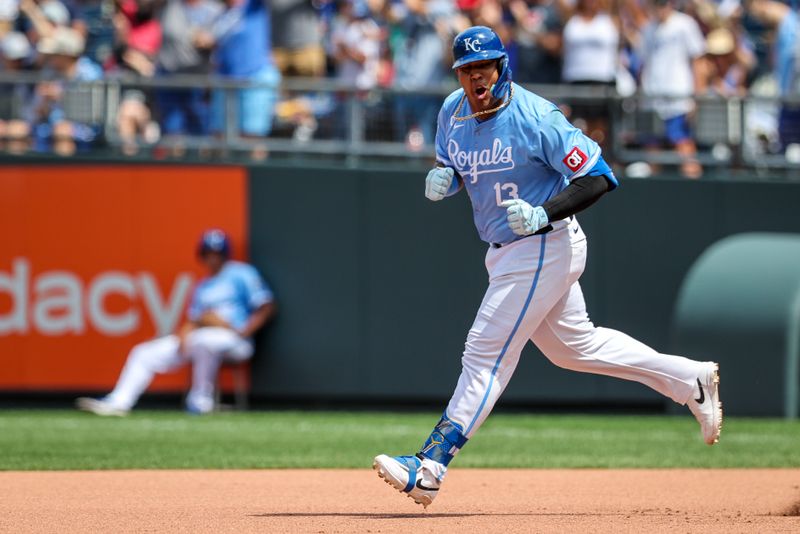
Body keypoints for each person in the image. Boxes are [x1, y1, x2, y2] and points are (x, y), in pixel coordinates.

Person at [373, 26, 723, 508]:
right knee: (575, 348)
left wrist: (545, 212)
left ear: (501, 68)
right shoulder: (451, 112)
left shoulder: (536, 115)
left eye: (484, 68)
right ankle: (689, 379)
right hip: (504, 251)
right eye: (467, 70)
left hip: (544, 243)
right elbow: (457, 165)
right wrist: (447, 178)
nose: (476, 78)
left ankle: (430, 465)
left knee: (485, 352)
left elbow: (599, 177)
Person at [76, 229, 276, 415]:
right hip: (202, 336)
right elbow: (195, 318)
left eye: (217, 253)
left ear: (225, 254)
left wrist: (242, 330)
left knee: (204, 341)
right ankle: (119, 402)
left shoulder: (242, 273)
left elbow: (266, 306)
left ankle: (200, 401)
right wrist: (184, 333)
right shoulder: (202, 286)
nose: (213, 258)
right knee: (144, 352)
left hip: (236, 339)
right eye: (208, 253)